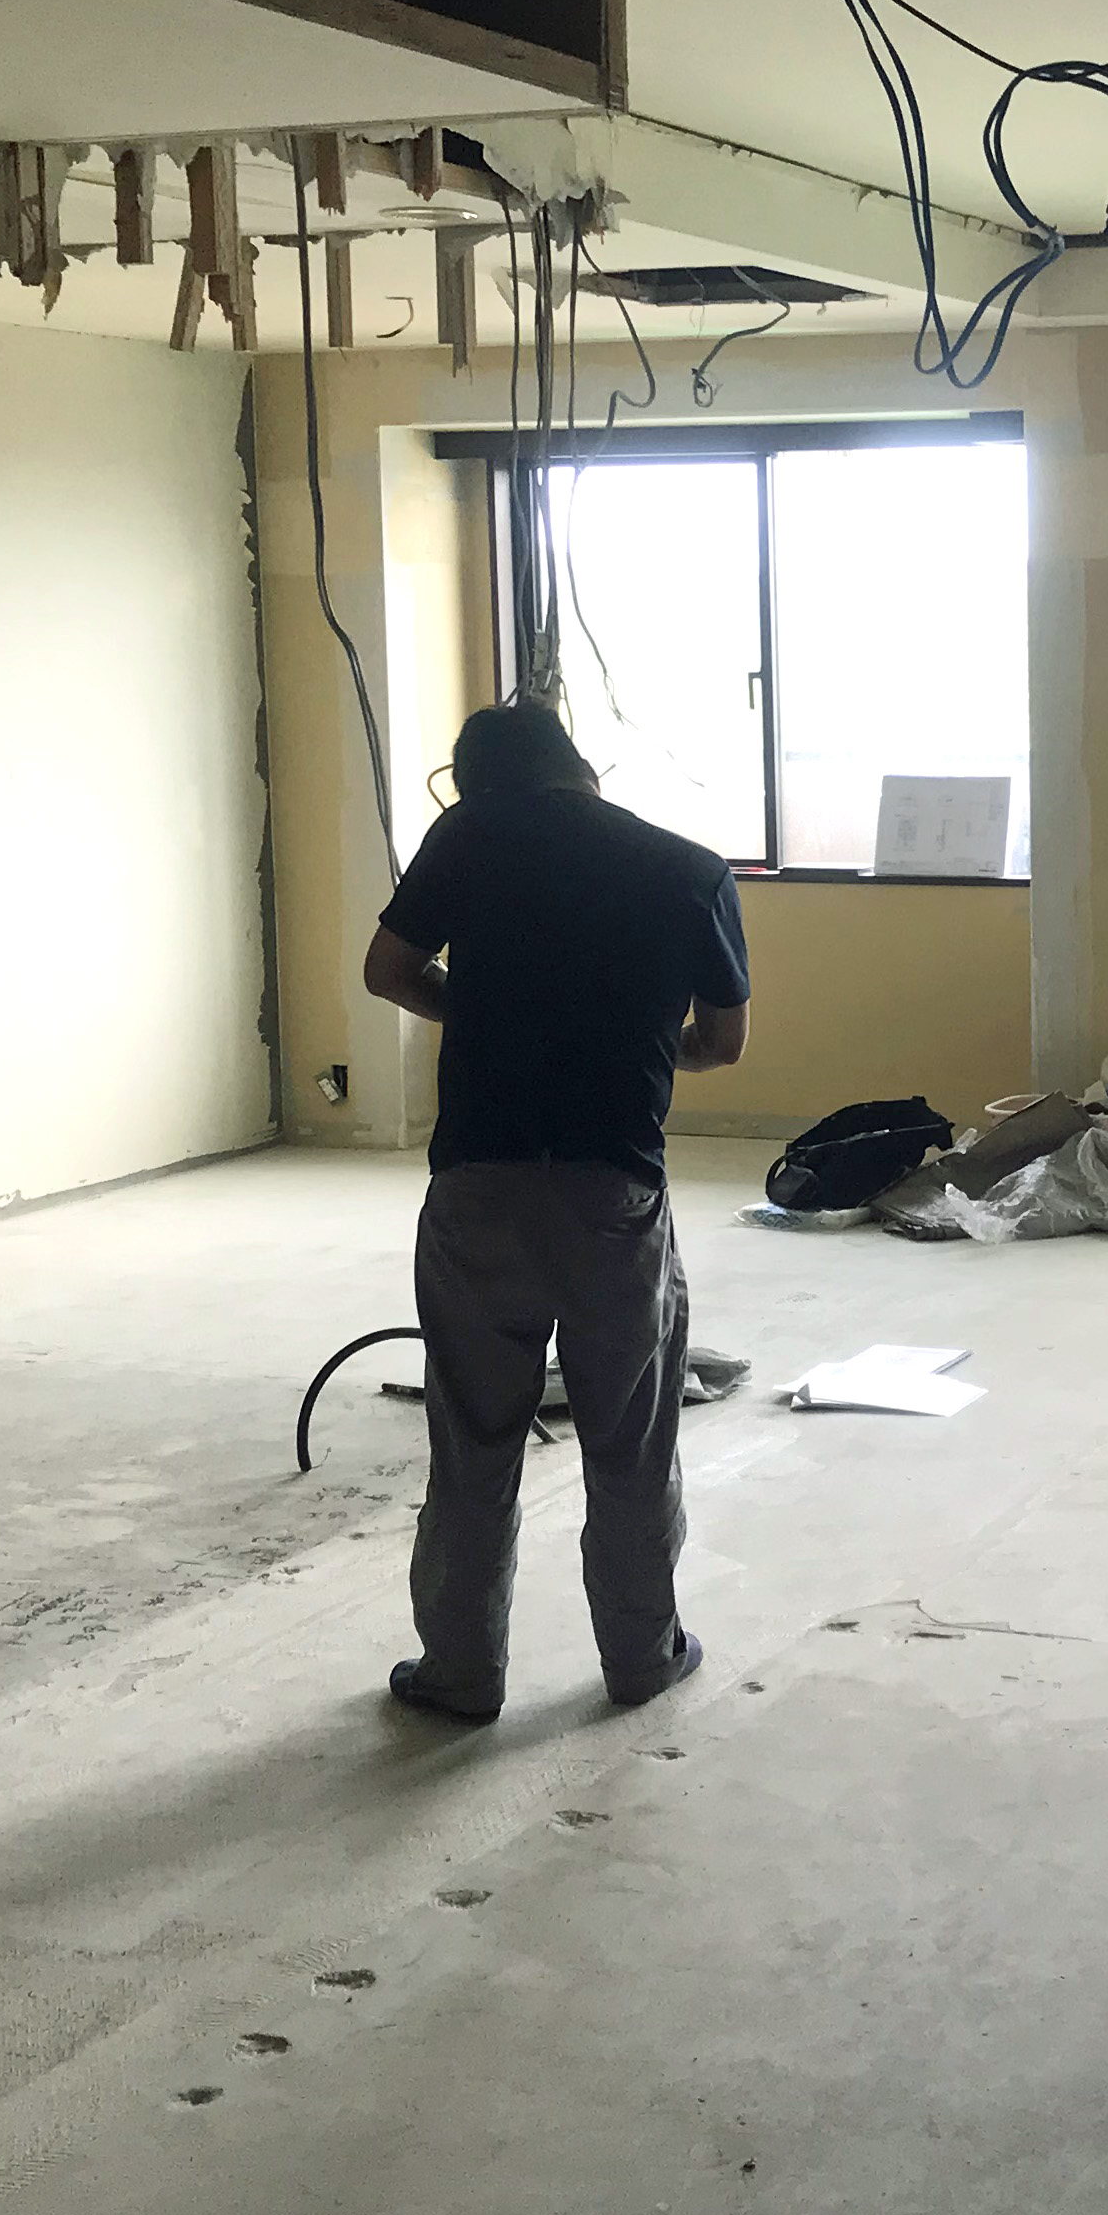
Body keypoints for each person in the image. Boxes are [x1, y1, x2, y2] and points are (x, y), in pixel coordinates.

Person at [364, 700, 749, 1720]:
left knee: (473, 1441)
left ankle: (459, 1675)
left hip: (477, 1187)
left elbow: (387, 971)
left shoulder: (466, 838)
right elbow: (724, 1044)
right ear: (580, 767)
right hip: (611, 1194)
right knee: (630, 1442)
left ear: (476, 782)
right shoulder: (690, 869)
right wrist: (642, 1040)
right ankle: (642, 1657)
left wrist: (480, 1011)